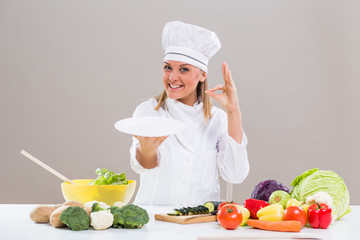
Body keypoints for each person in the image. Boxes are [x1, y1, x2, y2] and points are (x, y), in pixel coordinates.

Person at [129, 21, 249, 206]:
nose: (172, 77)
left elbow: (235, 174)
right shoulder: (148, 112)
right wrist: (147, 150)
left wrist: (233, 111)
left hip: (201, 223)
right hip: (154, 223)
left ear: (202, 75)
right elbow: (143, 165)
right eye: (167, 67)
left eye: (183, 69)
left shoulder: (218, 120)